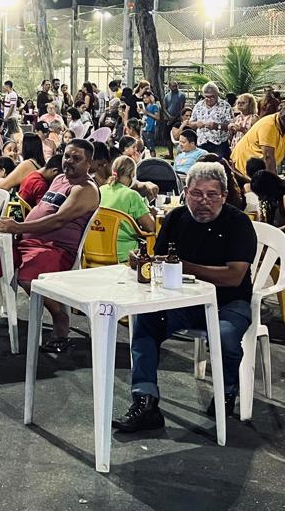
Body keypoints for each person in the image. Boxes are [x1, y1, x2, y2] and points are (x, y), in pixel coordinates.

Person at [114, 162, 257, 432]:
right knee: (144, 322)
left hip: (228, 302)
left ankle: (227, 390)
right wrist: (143, 262)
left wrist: (182, 266)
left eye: (212, 195)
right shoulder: (176, 218)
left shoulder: (238, 223)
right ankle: (145, 400)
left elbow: (233, 276)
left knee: (226, 336)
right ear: (185, 193)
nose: (204, 201)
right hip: (182, 299)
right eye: (196, 194)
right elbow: (160, 260)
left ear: (224, 196)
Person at [0, 139, 98, 341]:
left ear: (89, 163)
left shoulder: (86, 189)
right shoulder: (59, 178)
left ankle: (60, 319)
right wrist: (19, 230)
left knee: (28, 277)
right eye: (67, 156)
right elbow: (43, 208)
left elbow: (58, 221)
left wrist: (19, 227)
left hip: (56, 249)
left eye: (76, 158)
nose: (69, 161)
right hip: (27, 242)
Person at [98, 156, 157, 263]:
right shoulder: (131, 195)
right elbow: (150, 227)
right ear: (132, 175)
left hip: (96, 250)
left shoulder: (100, 190)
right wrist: (152, 213)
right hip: (124, 255)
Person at [230, 103, 285, 179]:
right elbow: (268, 157)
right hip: (244, 164)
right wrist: (275, 181)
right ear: (283, 119)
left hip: (260, 165)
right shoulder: (269, 125)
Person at [191, 82, 233, 157]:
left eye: (212, 97)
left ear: (217, 94)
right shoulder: (198, 105)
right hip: (202, 142)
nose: (209, 99)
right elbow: (191, 123)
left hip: (219, 144)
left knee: (219, 163)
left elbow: (231, 125)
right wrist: (196, 124)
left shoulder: (225, 106)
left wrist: (218, 126)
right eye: (206, 97)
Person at [163, 80, 187, 151]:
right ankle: (170, 153)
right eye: (173, 86)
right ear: (169, 87)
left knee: (178, 136)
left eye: (176, 86)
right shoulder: (167, 96)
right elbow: (164, 108)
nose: (175, 88)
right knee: (167, 137)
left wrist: (175, 118)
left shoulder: (181, 95)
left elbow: (181, 108)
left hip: (177, 119)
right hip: (168, 119)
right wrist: (169, 116)